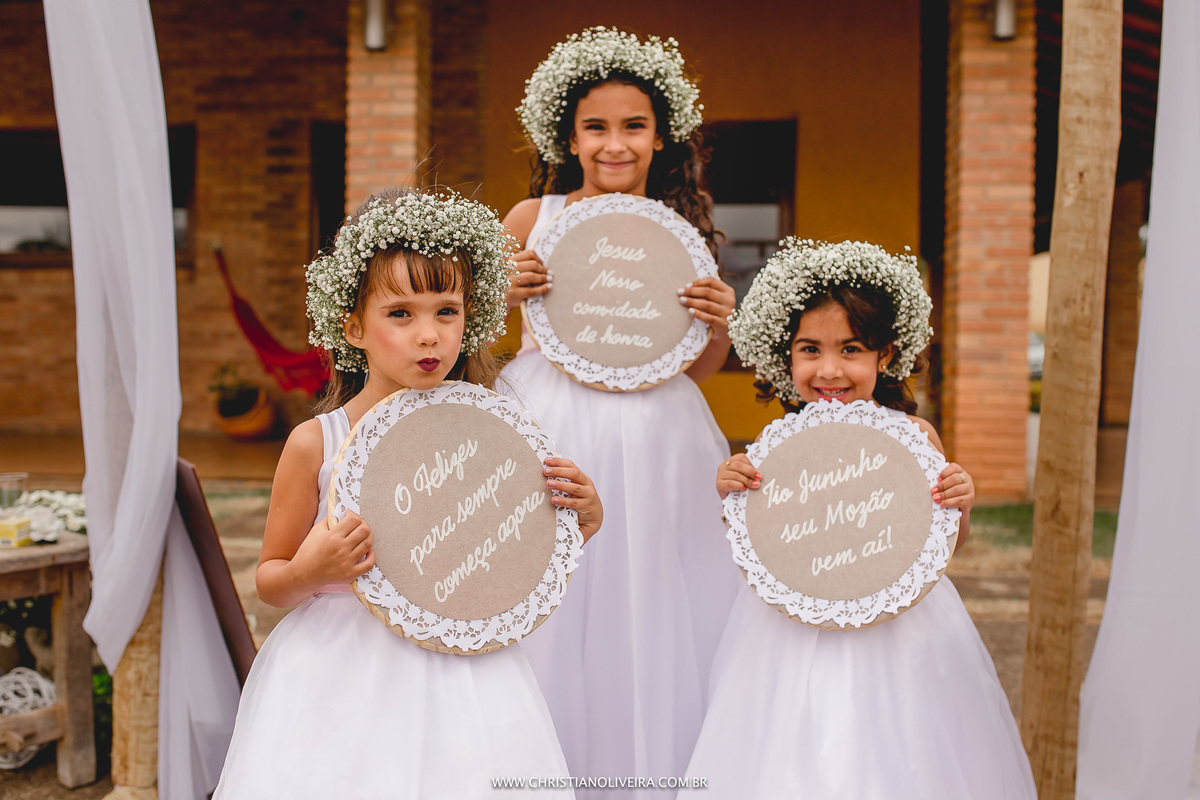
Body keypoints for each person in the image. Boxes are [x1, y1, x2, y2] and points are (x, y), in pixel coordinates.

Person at [213, 189, 603, 799]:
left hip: (468, 672)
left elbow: (508, 555)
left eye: (446, 311)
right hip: (342, 680)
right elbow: (269, 579)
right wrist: (311, 569)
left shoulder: (492, 433)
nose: (429, 336)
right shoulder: (316, 442)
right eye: (400, 314)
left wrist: (581, 521)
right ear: (353, 328)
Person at [685, 239, 1037, 798]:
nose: (830, 370)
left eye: (851, 349)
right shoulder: (773, 452)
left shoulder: (915, 439)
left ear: (886, 356)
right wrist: (733, 492)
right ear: (787, 358)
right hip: (787, 629)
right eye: (810, 350)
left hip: (903, 628)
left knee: (906, 746)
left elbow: (946, 545)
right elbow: (758, 543)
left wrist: (958, 501)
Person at [497, 27, 741, 793]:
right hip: (552, 418)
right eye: (596, 127)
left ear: (659, 136)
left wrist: (719, 319)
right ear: (568, 138)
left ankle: (658, 769)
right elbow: (463, 334)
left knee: (659, 585)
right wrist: (503, 293)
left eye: (632, 126)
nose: (614, 144)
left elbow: (696, 368)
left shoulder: (682, 234)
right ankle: (538, 765)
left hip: (663, 431)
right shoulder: (531, 219)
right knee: (555, 583)